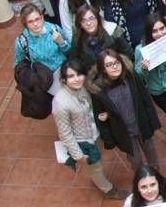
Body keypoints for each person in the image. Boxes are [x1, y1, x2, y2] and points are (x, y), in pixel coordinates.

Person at [53, 58, 126, 199]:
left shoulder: (85, 88)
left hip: (94, 133)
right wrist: (78, 155)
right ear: (63, 79)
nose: (76, 79)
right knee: (95, 166)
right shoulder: (60, 103)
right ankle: (108, 190)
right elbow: (65, 133)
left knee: (97, 159)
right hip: (83, 142)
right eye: (71, 76)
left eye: (79, 74)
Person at [88, 48, 161, 171]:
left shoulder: (131, 76)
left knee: (150, 150)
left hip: (141, 123)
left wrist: (153, 121)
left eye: (117, 62)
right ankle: (141, 177)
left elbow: (145, 98)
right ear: (103, 69)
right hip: (123, 131)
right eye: (109, 65)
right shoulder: (98, 91)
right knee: (136, 160)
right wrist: (108, 139)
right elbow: (99, 116)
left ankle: (156, 174)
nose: (115, 67)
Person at [134, 14, 166, 148]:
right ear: (148, 32)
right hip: (159, 91)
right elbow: (138, 76)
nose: (159, 33)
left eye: (162, 28)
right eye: (154, 31)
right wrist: (144, 68)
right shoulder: (141, 50)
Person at [14, 4, 71, 92]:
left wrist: (62, 43)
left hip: (64, 71)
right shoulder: (22, 41)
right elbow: (18, 64)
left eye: (37, 19)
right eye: (30, 21)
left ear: (42, 17)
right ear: (25, 23)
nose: (36, 24)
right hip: (44, 79)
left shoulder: (54, 29)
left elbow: (69, 51)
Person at [69, 5, 133, 73]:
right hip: (93, 77)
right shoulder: (77, 38)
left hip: (115, 72)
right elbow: (74, 60)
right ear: (80, 24)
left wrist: (117, 65)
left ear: (97, 19)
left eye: (91, 18)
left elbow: (128, 53)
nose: (88, 23)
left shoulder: (112, 32)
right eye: (83, 20)